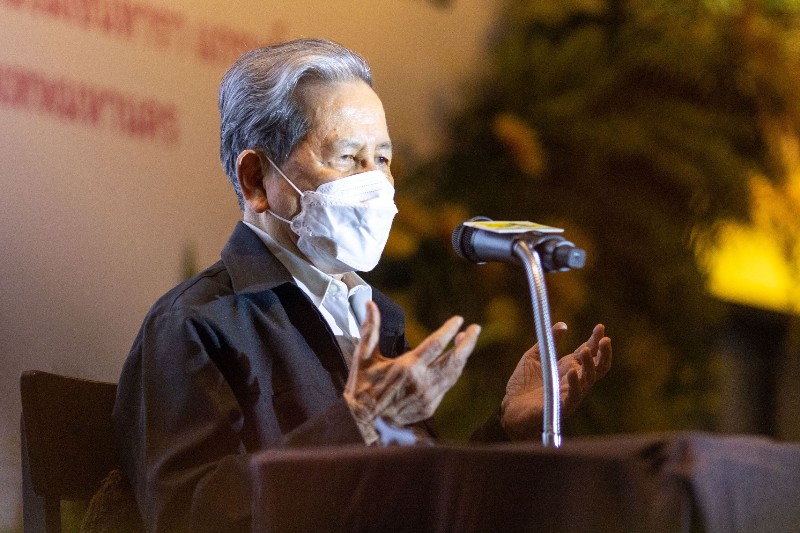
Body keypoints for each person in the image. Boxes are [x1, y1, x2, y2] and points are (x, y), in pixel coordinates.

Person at [112, 38, 612, 532]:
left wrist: (507, 430)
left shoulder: (374, 315)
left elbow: (422, 506)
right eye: (349, 158)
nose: (376, 184)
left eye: (383, 159)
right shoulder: (195, 325)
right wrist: (355, 422)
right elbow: (188, 517)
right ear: (257, 180)